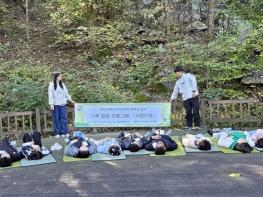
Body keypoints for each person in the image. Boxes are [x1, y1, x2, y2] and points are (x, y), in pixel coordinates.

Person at [169, 65, 200, 130]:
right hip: (185, 98)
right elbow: (175, 91)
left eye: (177, 73)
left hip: (193, 96)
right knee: (188, 112)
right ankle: (189, 126)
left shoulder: (188, 75)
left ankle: (197, 125)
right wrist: (172, 98)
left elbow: (194, 82)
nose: (176, 74)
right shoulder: (178, 82)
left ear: (180, 72)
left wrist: (194, 90)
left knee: (195, 111)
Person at [48, 72, 74, 138]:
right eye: (59, 76)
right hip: (56, 104)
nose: (61, 77)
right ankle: (57, 132)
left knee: (64, 118)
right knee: (56, 119)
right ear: (56, 77)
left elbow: (66, 93)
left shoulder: (62, 84)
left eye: (61, 76)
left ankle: (64, 132)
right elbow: (50, 95)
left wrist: (69, 99)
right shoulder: (51, 85)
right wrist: (51, 104)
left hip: (63, 104)